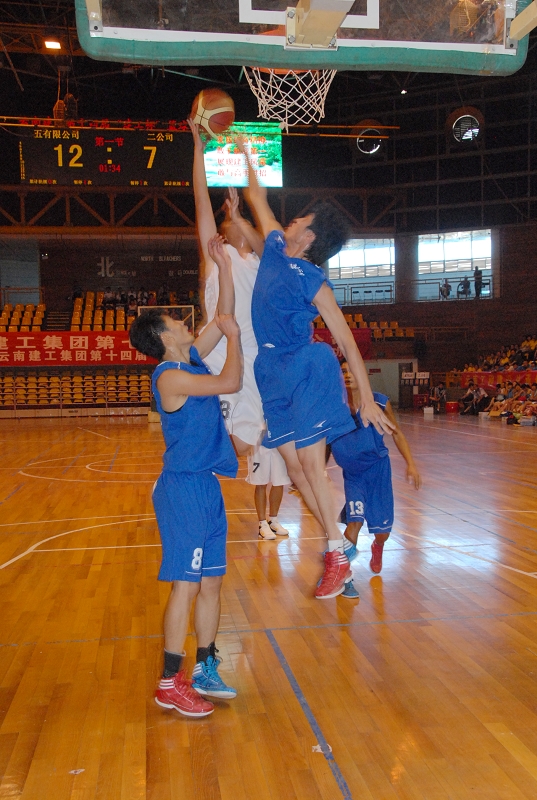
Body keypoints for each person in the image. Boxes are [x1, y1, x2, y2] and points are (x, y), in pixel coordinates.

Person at [237, 137, 395, 600]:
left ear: (309, 237)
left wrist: (364, 397)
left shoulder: (312, 279)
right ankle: (339, 555)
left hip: (308, 365)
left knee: (310, 462)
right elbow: (256, 196)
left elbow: (345, 340)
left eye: (299, 221)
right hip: (270, 370)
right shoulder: (272, 247)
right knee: (293, 468)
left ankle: (335, 554)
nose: (289, 222)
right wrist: (247, 153)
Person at [129, 235, 241, 719]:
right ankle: (168, 683)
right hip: (183, 490)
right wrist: (236, 340)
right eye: (173, 321)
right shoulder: (169, 376)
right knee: (186, 585)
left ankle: (204, 668)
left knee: (211, 583)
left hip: (205, 485)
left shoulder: (189, 357)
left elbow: (223, 316)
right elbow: (230, 381)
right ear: (163, 336)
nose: (182, 320)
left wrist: (225, 267)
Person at [188, 118, 266, 456]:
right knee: (224, 444)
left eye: (233, 221)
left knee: (246, 446)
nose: (226, 223)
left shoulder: (261, 261)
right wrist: (198, 149)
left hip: (252, 354)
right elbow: (201, 200)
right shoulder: (217, 255)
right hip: (217, 348)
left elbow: (259, 202)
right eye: (224, 223)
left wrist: (246, 152)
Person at [331, 362, 421, 575]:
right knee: (354, 522)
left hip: (378, 471)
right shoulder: (334, 406)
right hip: (353, 474)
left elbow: (396, 433)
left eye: (351, 370)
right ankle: (340, 573)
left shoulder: (379, 402)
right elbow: (325, 442)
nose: (347, 375)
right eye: (343, 371)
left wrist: (411, 464)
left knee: (382, 533)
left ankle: (378, 546)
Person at [246, 443, 291, 539]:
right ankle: (262, 524)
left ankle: (273, 520)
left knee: (279, 481)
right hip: (259, 444)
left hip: (278, 441)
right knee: (260, 483)